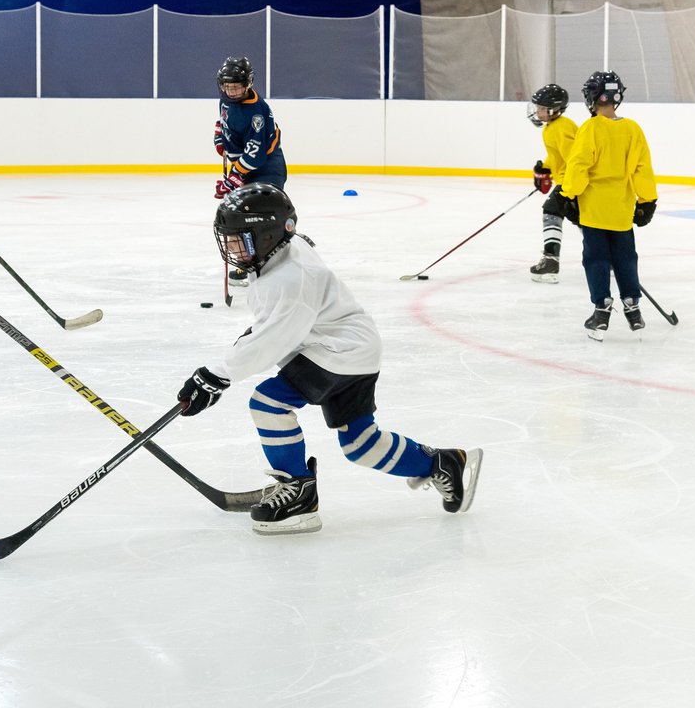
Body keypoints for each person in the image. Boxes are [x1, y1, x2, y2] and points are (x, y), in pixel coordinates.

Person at [176, 183, 483, 535]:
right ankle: (441, 463)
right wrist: (255, 335)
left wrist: (214, 377)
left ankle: (299, 491)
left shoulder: (293, 278)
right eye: (228, 238)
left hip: (335, 353)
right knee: (362, 446)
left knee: (268, 404)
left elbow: (273, 342)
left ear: (266, 236)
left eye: (239, 239)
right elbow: (274, 327)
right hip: (351, 349)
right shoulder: (280, 251)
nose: (230, 248)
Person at [557, 70, 658, 341]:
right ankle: (633, 309)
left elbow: (579, 166)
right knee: (626, 258)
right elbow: (642, 168)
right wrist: (647, 200)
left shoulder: (590, 128)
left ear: (591, 97)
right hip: (622, 211)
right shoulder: (632, 129)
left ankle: (601, 311)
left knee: (597, 259)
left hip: (594, 211)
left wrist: (567, 194)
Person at [213, 56, 287, 288]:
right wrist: (220, 134)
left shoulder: (256, 112)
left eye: (237, 87)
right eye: (227, 86)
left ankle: (276, 262)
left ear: (248, 84)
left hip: (266, 169)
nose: (232, 91)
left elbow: (255, 155)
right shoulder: (226, 99)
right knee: (240, 218)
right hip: (245, 168)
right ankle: (248, 263)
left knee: (262, 219)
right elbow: (226, 120)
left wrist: (234, 177)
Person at [526, 84, 579, 283]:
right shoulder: (552, 127)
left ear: (553, 109)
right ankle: (607, 258)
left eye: (541, 108)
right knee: (583, 221)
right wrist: (545, 167)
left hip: (572, 183)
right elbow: (557, 156)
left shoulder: (562, 128)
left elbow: (575, 159)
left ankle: (550, 261)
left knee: (551, 211)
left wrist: (569, 190)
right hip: (570, 181)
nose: (537, 112)